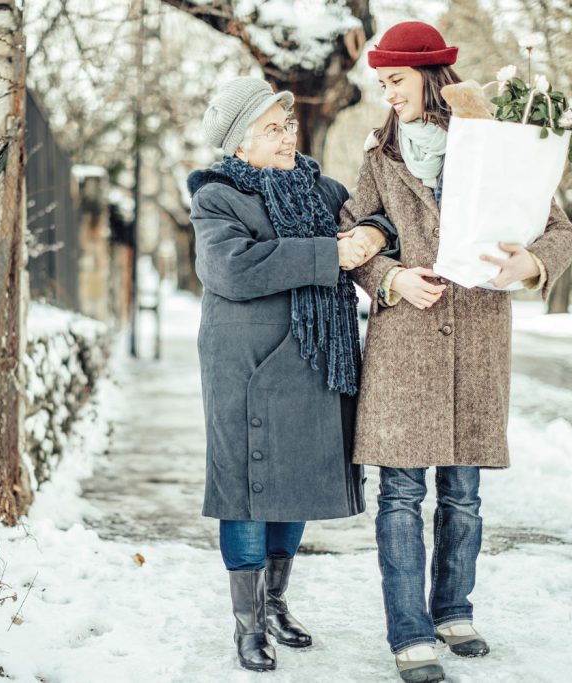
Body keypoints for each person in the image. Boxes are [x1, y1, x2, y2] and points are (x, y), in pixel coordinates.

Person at [338, 21, 572, 683]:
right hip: (403, 343)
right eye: (382, 82)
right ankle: (410, 632)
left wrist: (530, 261)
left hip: (477, 335)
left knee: (464, 495)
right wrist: (388, 275)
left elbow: (560, 230)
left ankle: (453, 610)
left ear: (429, 75)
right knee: (399, 494)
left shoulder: (497, 144)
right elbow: (350, 234)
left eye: (395, 80)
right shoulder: (380, 158)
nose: (387, 94)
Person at [187, 76, 397, 672]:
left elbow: (380, 220)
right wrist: (328, 253)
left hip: (313, 356)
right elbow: (230, 269)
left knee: (296, 479)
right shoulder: (218, 196)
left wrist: (372, 233)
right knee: (247, 490)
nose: (287, 136)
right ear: (238, 143)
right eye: (271, 128)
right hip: (246, 363)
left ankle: (276, 603)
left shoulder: (321, 190)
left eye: (288, 124)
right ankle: (247, 625)